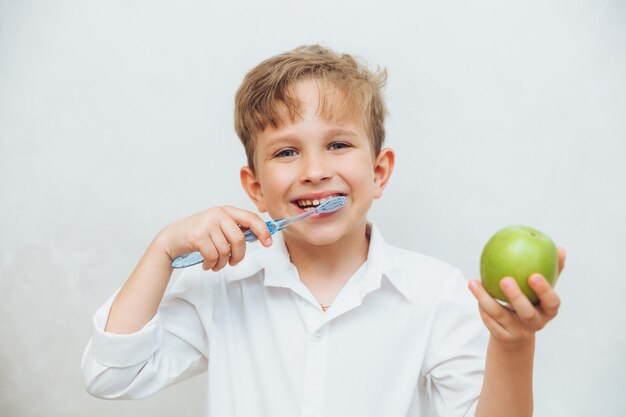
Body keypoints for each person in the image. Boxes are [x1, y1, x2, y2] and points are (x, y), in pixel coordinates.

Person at [82, 45, 565, 417]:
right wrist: (163, 249)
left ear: (378, 174)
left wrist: (513, 344)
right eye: (286, 152)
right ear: (255, 188)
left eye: (337, 144)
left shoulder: (436, 295)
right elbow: (109, 374)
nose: (314, 170)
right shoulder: (222, 284)